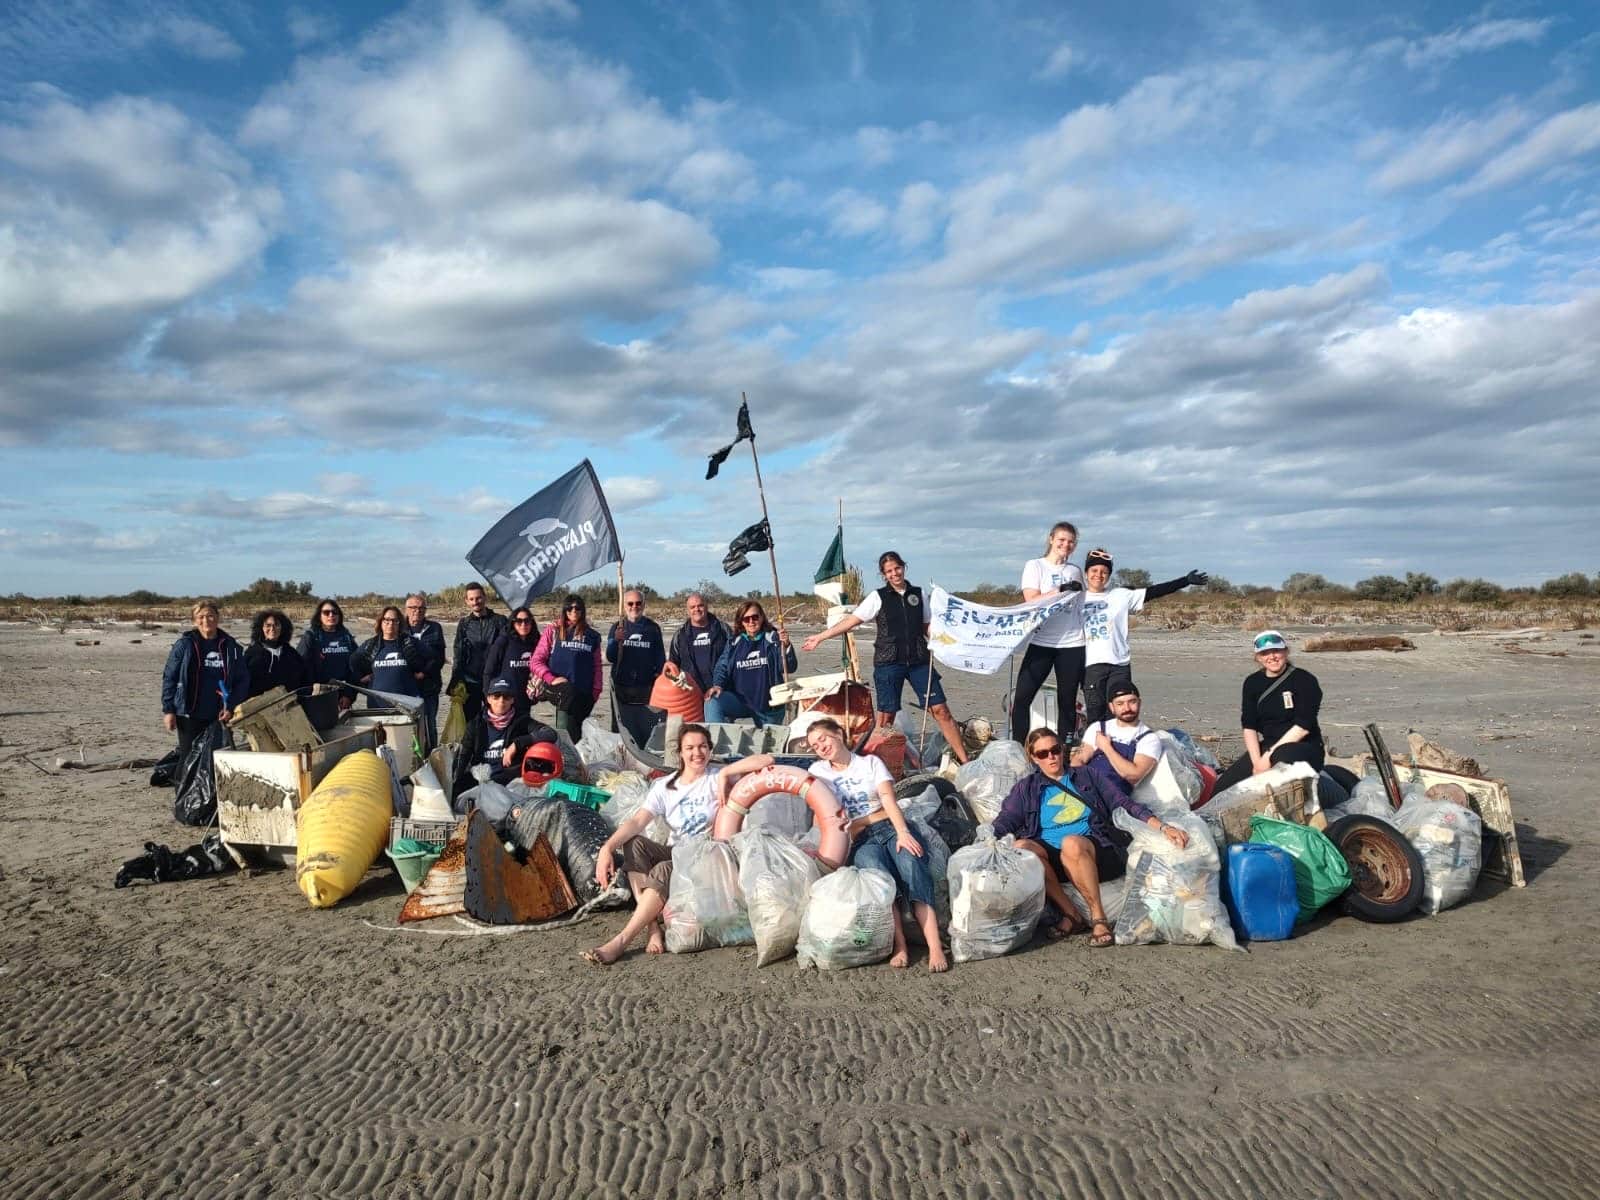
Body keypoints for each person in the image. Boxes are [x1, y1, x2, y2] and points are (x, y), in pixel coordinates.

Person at [719, 717, 947, 971]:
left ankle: (935, 948)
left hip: (890, 826)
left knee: (914, 870)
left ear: (839, 734)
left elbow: (888, 800)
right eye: (815, 745)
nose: (821, 747)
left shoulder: (870, 763)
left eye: (824, 739)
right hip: (857, 839)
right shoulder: (818, 772)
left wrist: (902, 832)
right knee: (877, 881)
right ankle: (900, 946)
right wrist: (726, 772)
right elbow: (774, 767)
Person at [995, 727, 1188, 948]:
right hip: (1053, 859)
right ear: (1033, 757)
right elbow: (1007, 819)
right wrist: (986, 840)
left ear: (1063, 749)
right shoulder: (1026, 788)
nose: (1051, 757)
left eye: (1055, 750)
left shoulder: (1087, 776)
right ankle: (1071, 914)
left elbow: (1124, 802)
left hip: (1095, 850)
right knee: (1021, 847)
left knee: (1072, 842)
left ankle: (1098, 918)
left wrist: (1162, 827)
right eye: (1042, 753)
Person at [583, 723, 734, 966]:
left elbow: (765, 759)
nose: (697, 753)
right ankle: (652, 925)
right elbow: (637, 820)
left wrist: (726, 773)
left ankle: (622, 940)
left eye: (703, 747)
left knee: (663, 868)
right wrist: (607, 848)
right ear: (680, 753)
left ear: (710, 749)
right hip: (676, 850)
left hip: (702, 854)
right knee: (634, 842)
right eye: (690, 748)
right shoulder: (665, 785)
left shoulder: (717, 777)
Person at [802, 551, 970, 764]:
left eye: (897, 568)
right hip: (888, 663)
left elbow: (928, 626)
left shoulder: (918, 594)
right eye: (889, 571)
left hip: (919, 661)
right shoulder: (877, 597)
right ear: (884, 575)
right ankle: (877, 765)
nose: (894, 574)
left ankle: (966, 762)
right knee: (886, 718)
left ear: (903, 567)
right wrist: (820, 637)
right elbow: (852, 620)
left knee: (941, 710)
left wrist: (951, 645)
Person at [1079, 548, 1207, 724]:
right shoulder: (1076, 598)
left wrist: (1185, 581)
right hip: (1091, 666)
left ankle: (1122, 750)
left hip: (1119, 665)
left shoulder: (1120, 595)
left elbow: (1155, 591)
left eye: (1104, 572)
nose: (1098, 575)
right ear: (1086, 573)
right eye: (1094, 570)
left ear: (1109, 575)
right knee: (1095, 716)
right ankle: (1098, 750)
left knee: (1121, 715)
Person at [1210, 630, 1326, 795]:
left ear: (1286, 651)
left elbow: (1303, 726)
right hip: (1268, 746)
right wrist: (1257, 762)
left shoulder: (1304, 680)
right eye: (1265, 653)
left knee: (1281, 755)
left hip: (1304, 747)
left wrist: (1267, 757)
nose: (1271, 657)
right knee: (1221, 790)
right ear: (1257, 657)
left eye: (1276, 651)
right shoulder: (1252, 683)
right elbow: (1249, 725)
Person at [1011, 521, 1087, 745]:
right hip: (1042, 641)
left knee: (1067, 700)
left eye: (1071, 541)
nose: (1066, 544)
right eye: (1062, 540)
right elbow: (1031, 600)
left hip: (1072, 643)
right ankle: (1019, 746)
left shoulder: (1074, 570)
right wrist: (1060, 590)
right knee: (1023, 697)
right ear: (1051, 539)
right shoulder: (1035, 566)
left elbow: (1083, 604)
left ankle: (1065, 747)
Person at [161, 599, 249, 764]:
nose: (206, 620)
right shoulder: (184, 645)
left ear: (217, 618)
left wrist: (230, 706)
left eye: (210, 616)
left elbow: (242, 680)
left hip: (219, 714)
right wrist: (169, 710)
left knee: (214, 759)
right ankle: (185, 790)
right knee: (189, 759)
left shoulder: (230, 646)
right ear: (194, 621)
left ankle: (210, 790)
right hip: (188, 713)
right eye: (200, 617)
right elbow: (169, 677)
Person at [452, 676, 557, 796]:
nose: (501, 701)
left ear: (512, 700)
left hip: (510, 784)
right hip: (480, 780)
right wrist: (455, 783)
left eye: (506, 697)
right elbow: (464, 755)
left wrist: (518, 744)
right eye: (496, 696)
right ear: (489, 699)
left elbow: (550, 733)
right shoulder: (475, 725)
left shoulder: (521, 721)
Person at [707, 600, 796, 728]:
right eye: (746, 619)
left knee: (768, 745)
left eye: (755, 617)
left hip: (768, 705)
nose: (751, 622)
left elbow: (790, 667)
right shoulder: (734, 643)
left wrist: (786, 645)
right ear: (741, 622)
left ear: (761, 617)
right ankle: (716, 744)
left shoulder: (773, 639)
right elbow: (722, 667)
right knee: (712, 701)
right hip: (741, 701)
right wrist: (717, 685)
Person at [1069, 680, 1163, 798]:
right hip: (1085, 789)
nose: (1127, 708)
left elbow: (1134, 775)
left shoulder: (1149, 738)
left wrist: (1107, 748)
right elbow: (1078, 759)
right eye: (1120, 704)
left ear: (1139, 702)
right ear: (1111, 707)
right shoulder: (1098, 727)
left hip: (1115, 798)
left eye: (1132, 702)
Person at [530, 594, 604, 737]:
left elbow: (597, 666)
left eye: (577, 608)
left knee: (579, 736)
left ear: (583, 610)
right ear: (564, 610)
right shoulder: (554, 630)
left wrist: (596, 691)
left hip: (584, 693)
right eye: (569, 608)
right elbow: (535, 661)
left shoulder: (592, 636)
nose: (573, 611)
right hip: (562, 693)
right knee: (567, 735)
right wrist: (551, 678)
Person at [607, 589, 665, 745]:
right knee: (621, 730)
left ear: (644, 605)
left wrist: (659, 680)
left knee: (645, 728)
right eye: (630, 603)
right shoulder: (617, 627)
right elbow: (610, 656)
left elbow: (660, 658)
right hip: (621, 686)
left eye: (638, 603)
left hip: (645, 688)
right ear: (624, 605)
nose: (634, 607)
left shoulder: (653, 628)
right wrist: (615, 640)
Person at [447, 582, 508, 725]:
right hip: (471, 680)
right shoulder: (464, 624)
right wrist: (456, 679)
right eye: (472, 599)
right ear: (467, 601)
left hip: (494, 678)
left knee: (497, 719)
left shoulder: (499, 621)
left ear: (485, 598)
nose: (476, 602)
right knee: (471, 721)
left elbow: (507, 649)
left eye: (478, 598)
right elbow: (458, 652)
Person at [351, 606, 428, 709]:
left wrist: (424, 672)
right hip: (377, 704)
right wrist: (361, 678)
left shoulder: (410, 642)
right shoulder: (370, 644)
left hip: (407, 704)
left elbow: (434, 658)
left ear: (399, 623)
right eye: (386, 620)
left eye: (394, 620)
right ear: (380, 622)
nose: (390, 624)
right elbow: (352, 662)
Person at [668, 593, 729, 718]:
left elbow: (735, 658)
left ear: (706, 606)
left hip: (719, 692)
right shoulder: (680, 635)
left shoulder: (723, 630)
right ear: (688, 610)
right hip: (691, 695)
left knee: (717, 732)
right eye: (692, 607)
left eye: (700, 605)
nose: (697, 609)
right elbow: (673, 666)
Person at [297, 597, 360, 710]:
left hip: (343, 695)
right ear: (319, 616)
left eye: (334, 612)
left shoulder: (346, 637)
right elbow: (299, 666)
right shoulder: (311, 637)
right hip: (318, 694)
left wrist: (349, 695)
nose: (331, 615)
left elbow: (356, 667)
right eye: (326, 612)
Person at [404, 593, 447, 747]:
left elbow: (439, 658)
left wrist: (424, 673)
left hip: (430, 685)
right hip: (405, 687)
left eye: (421, 608)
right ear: (406, 609)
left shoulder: (435, 628)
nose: (417, 611)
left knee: (429, 724)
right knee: (408, 726)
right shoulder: (399, 628)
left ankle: (432, 756)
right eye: (413, 607)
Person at [483, 606, 541, 718]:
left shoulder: (536, 642)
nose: (523, 625)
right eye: (519, 621)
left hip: (525, 698)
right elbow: (489, 671)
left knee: (521, 731)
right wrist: (488, 696)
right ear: (513, 623)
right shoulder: (503, 641)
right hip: (504, 699)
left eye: (527, 621)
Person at [242, 609, 305, 700]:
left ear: (282, 628)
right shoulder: (252, 654)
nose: (272, 629)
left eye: (276, 625)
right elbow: (242, 682)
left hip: (288, 704)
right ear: (261, 628)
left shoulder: (291, 653)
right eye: (268, 625)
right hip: (258, 706)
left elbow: (302, 678)